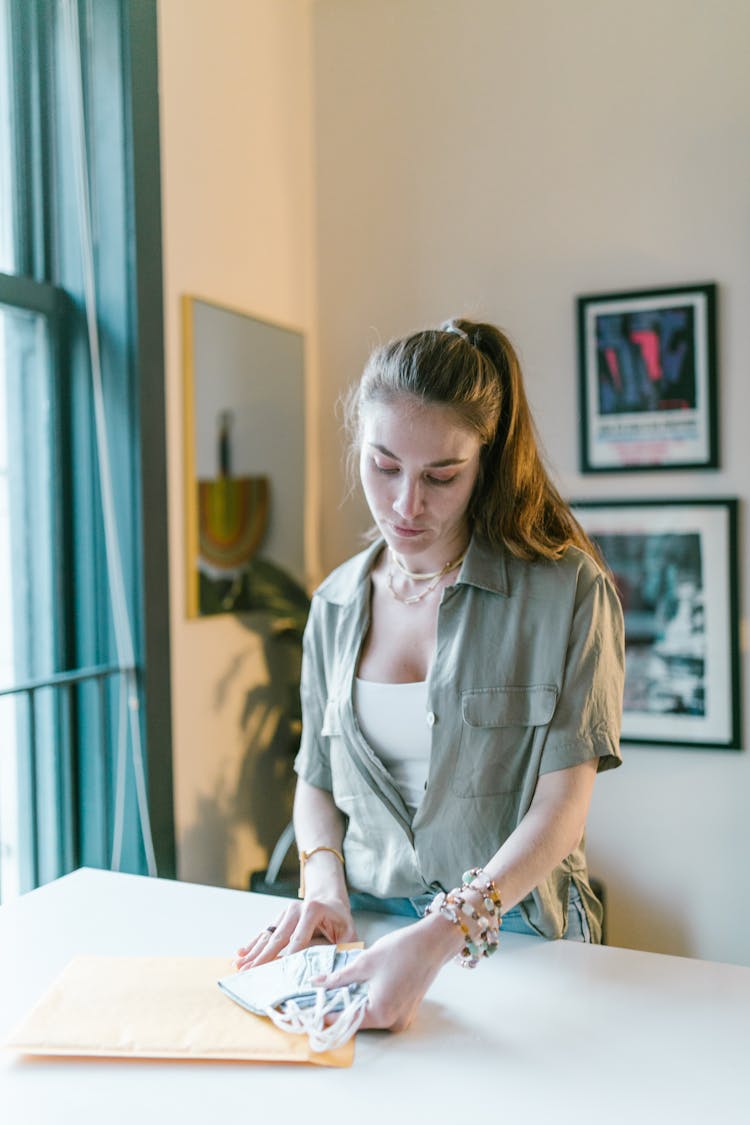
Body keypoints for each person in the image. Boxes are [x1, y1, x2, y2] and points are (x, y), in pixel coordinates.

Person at [235, 318, 625, 1033]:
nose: (406, 505)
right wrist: (323, 886)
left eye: (441, 476)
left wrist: (443, 932)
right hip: (366, 944)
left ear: (486, 463)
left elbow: (561, 809)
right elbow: (316, 779)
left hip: (524, 946)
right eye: (384, 466)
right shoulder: (334, 604)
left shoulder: (567, 591)